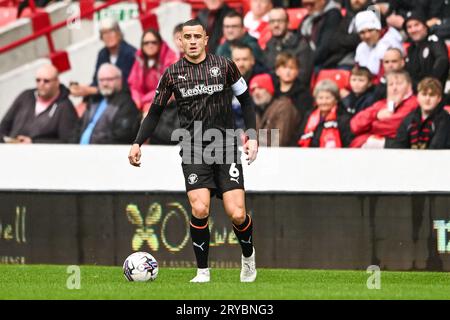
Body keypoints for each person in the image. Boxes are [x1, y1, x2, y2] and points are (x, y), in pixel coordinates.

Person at [128, 19, 258, 283]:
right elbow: (154, 112)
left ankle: (248, 258)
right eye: (187, 37)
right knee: (200, 208)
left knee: (237, 213)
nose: (193, 41)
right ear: (180, 41)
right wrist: (138, 142)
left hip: (224, 147)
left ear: (206, 39)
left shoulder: (225, 66)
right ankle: (202, 272)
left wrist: (252, 136)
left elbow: (246, 99)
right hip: (193, 149)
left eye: (197, 36)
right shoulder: (172, 74)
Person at [0, 64, 78, 144]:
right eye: (38, 80)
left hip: (41, 154)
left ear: (57, 82)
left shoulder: (65, 107)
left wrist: (33, 142)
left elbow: (68, 142)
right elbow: (4, 126)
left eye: (46, 81)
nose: (41, 84)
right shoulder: (25, 96)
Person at [70, 18, 137, 98]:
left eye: (111, 31)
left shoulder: (130, 53)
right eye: (104, 33)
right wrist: (83, 89)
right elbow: (96, 80)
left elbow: (126, 84)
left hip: (125, 97)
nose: (108, 36)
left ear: (119, 34)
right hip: (105, 96)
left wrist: (92, 90)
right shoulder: (102, 54)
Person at [349, 70, 418, 148]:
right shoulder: (381, 104)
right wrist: (376, 116)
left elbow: (395, 126)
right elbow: (355, 125)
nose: (394, 88)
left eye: (399, 84)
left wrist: (369, 126)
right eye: (391, 84)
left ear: (409, 86)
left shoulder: (414, 103)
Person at [74, 63, 140, 144]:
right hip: (78, 152)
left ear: (119, 80)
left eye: (109, 79)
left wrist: (94, 148)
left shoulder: (127, 104)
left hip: (103, 153)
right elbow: (77, 129)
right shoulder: (94, 100)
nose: (105, 84)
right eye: (101, 80)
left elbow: (122, 137)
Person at [386, 77, 450, 149]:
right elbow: (399, 145)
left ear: (439, 99)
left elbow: (437, 147)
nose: (427, 99)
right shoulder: (409, 119)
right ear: (418, 97)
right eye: (424, 94)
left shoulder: (445, 120)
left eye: (432, 95)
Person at [128, 29, 178, 114]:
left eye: (153, 42)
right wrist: (138, 100)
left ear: (160, 43)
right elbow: (133, 85)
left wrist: (145, 101)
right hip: (143, 104)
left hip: (166, 104)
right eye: (146, 43)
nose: (150, 45)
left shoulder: (169, 59)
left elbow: (166, 88)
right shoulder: (139, 60)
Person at [264, 7, 313, 87]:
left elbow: (304, 76)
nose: (276, 25)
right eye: (272, 21)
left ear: (288, 23)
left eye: (280, 21)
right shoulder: (269, 45)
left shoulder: (301, 44)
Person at [297, 79, 353, 148]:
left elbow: (347, 144)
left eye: (328, 98)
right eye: (320, 98)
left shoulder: (343, 118)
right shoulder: (309, 115)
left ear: (336, 100)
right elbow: (299, 137)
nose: (324, 102)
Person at [250, 73, 301, 146]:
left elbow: (278, 141)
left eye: (260, 88)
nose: (256, 92)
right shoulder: (257, 112)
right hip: (263, 154)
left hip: (284, 155)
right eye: (253, 90)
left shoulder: (283, 107)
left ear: (269, 89)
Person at [404, 11, 449, 90]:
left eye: (416, 25)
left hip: (434, 91)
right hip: (416, 92)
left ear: (425, 26)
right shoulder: (411, 48)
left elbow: (442, 59)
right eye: (409, 27)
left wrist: (429, 82)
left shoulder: (434, 41)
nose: (413, 30)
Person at [354, 10, 403, 80]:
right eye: (362, 32)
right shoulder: (361, 47)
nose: (367, 36)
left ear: (378, 29)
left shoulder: (389, 43)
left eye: (370, 30)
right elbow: (357, 72)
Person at [297, 0, 342, 70]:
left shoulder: (333, 16)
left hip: (323, 63)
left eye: (311, 4)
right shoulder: (307, 19)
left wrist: (305, 62)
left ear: (322, 1)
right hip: (305, 59)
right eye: (305, 4)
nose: (308, 7)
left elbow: (325, 46)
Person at [273, 52, 314, 116]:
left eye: (291, 68)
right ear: (277, 71)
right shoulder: (272, 90)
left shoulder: (303, 93)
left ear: (297, 72)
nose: (288, 71)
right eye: (284, 67)